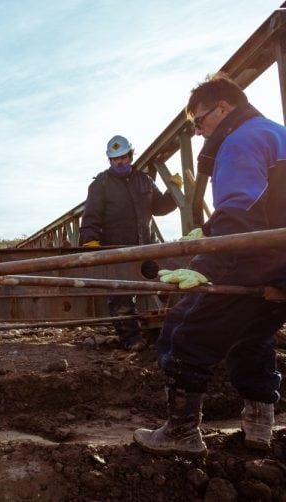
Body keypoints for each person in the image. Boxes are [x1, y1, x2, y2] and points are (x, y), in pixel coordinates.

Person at [133, 73, 286, 456]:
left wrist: (207, 267)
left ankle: (181, 435)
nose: (199, 133)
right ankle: (259, 429)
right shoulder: (276, 133)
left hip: (258, 261)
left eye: (199, 122)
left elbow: (241, 217)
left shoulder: (240, 141)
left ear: (223, 107)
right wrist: (208, 228)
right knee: (252, 337)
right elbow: (267, 207)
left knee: (185, 329)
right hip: (281, 267)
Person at [79, 135, 182, 351]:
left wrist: (173, 192)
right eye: (114, 159)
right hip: (116, 250)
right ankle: (132, 339)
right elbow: (90, 216)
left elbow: (159, 208)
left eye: (123, 157)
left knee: (164, 286)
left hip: (146, 247)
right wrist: (90, 242)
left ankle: (165, 331)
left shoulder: (144, 181)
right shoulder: (101, 184)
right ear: (109, 160)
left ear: (130, 156)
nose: (119, 162)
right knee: (121, 297)